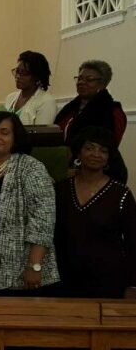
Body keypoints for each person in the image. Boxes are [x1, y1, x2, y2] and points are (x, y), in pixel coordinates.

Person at [0, 111, 59, 295]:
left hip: (18, 267)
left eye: (4, 132)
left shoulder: (32, 167)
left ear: (15, 138)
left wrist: (35, 265)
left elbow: (43, 220)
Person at [55, 127, 136, 299]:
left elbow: (132, 242)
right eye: (89, 148)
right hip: (63, 279)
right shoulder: (60, 190)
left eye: (103, 150)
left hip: (108, 282)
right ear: (78, 153)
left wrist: (133, 284)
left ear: (109, 157)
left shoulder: (121, 194)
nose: (96, 154)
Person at [55, 60, 127, 181]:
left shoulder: (112, 111)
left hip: (99, 174)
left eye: (89, 80)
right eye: (79, 78)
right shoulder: (70, 108)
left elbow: (108, 147)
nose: (81, 82)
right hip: (65, 168)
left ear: (102, 84)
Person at [5, 51, 57, 125]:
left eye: (24, 73)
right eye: (17, 71)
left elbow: (41, 135)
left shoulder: (46, 102)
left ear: (36, 76)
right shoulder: (10, 98)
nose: (18, 76)